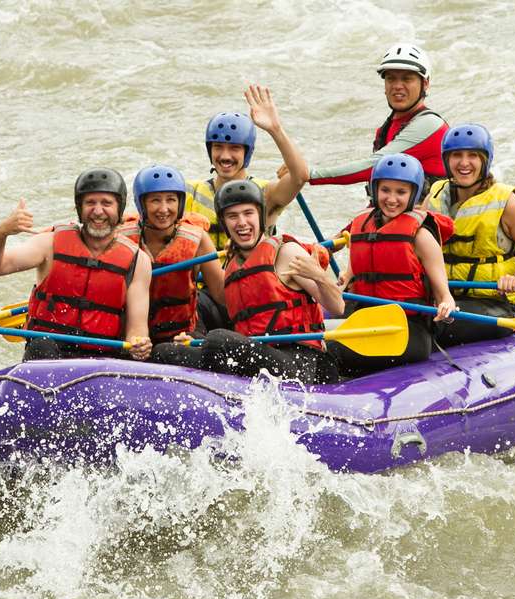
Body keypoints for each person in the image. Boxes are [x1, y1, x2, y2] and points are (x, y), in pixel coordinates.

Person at [152, 180, 343, 384]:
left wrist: (320, 276)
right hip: (257, 356)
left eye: (248, 213)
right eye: (232, 216)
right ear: (225, 223)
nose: (241, 222)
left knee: (218, 340)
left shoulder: (285, 252)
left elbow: (338, 306)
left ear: (260, 216)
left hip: (299, 362)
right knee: (165, 352)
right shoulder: (233, 267)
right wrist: (195, 343)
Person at [0, 168, 153, 362]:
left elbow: (137, 330)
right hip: (48, 354)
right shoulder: (49, 244)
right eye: (90, 203)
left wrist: (139, 346)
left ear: (119, 208)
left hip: (103, 360)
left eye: (106, 203)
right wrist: (2, 232)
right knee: (42, 345)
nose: (98, 211)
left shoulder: (138, 261)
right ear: (79, 208)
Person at [329, 153, 456, 377]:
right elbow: (357, 265)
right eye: (385, 190)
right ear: (375, 189)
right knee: (312, 341)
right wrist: (346, 276)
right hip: (367, 318)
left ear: (413, 194)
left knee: (330, 352)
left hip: (407, 329)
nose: (391, 199)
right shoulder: (362, 224)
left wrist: (446, 305)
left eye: (401, 192)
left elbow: (444, 295)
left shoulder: (422, 236)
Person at [425, 124, 515, 345]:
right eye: (456, 155)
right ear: (447, 160)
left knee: (433, 324)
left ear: (485, 160)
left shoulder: (508, 204)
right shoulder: (435, 196)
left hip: (490, 303)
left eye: (473, 155)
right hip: (443, 296)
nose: (464, 163)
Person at [306, 43, 449, 194]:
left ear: (425, 84)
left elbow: (375, 166)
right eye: (391, 79)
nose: (397, 86)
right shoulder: (387, 127)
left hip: (426, 215)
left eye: (407, 79)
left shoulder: (429, 125)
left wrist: (310, 174)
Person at [185, 84, 310, 249]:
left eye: (234, 148)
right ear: (210, 150)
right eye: (218, 147)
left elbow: (300, 177)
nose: (225, 156)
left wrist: (275, 129)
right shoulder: (190, 192)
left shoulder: (266, 194)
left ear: (247, 152)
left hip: (252, 273)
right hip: (207, 274)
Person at [117, 164, 225, 343]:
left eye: (171, 200)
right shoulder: (122, 238)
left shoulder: (197, 239)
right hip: (134, 335)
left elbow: (222, 294)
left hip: (184, 334)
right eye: (155, 200)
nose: (164, 209)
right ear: (141, 204)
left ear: (180, 203)